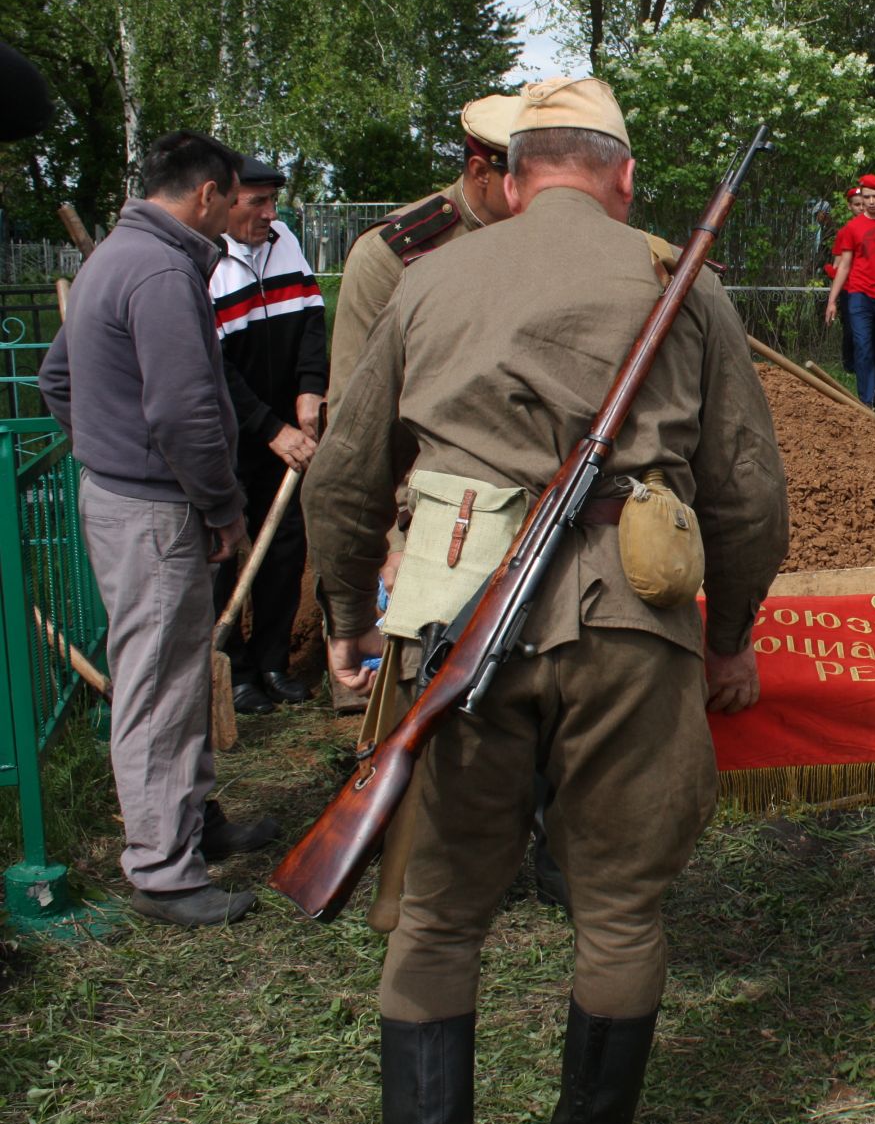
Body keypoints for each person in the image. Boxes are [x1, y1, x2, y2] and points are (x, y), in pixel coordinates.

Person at [305, 76, 789, 1124]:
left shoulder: (427, 279)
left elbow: (342, 477)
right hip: (635, 617)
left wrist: (347, 617)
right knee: (620, 912)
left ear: (514, 181)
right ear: (621, 180)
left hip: (451, 609)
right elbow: (750, 490)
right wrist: (732, 636)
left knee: (434, 917)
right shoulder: (680, 279)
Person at [39, 131, 278, 928]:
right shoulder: (160, 268)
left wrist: (104, 450)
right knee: (159, 689)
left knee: (174, 675)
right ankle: (163, 870)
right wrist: (220, 505)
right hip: (154, 509)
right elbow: (183, 412)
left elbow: (57, 379)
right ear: (207, 193)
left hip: (130, 496)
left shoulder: (117, 251)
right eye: (233, 197)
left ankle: (190, 826)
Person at [208, 155, 328, 715]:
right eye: (257, 202)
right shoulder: (204, 260)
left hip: (285, 427)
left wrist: (309, 388)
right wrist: (269, 428)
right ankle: (231, 671)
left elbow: (309, 317)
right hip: (231, 432)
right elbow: (214, 369)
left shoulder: (284, 241)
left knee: (284, 545)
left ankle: (273, 660)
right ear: (225, 200)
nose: (270, 214)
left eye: (273, 201)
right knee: (225, 549)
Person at [329, 93, 522, 395]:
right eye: (525, 178)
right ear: (481, 172)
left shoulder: (543, 237)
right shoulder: (390, 254)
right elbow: (357, 398)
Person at [823, 174, 875, 407]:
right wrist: (832, 300)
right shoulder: (852, 228)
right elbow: (843, 265)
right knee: (862, 345)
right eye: (866, 197)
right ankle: (866, 402)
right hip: (858, 293)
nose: (871, 201)